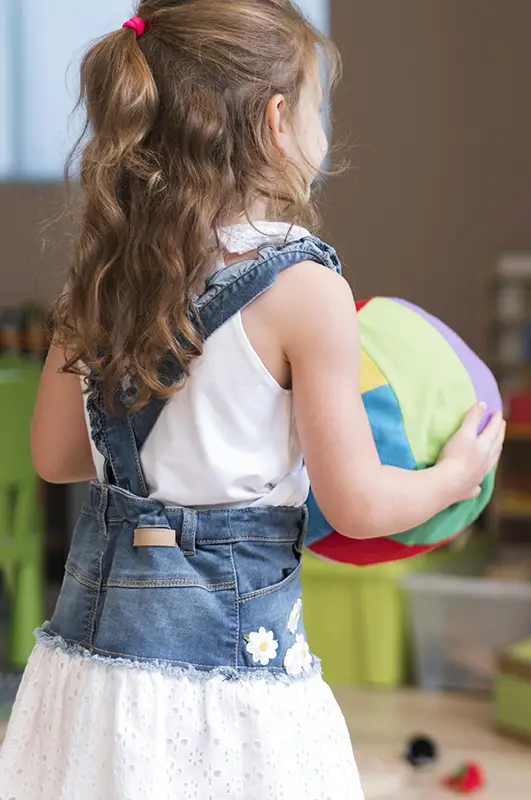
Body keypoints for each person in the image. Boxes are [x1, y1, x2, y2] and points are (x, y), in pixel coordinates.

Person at [0, 3, 505, 798]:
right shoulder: (306, 290)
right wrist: (454, 476)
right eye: (314, 106)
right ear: (277, 121)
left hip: (95, 669)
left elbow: (57, 456)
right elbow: (359, 499)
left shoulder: (102, 269)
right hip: (231, 673)